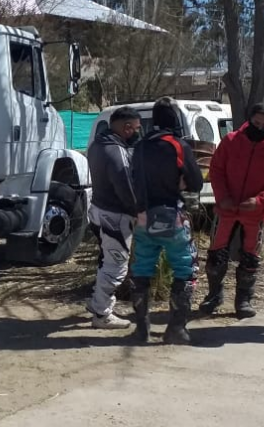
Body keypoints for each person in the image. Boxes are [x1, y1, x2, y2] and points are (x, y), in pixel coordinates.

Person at [199, 103, 264, 319]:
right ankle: (214, 295)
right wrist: (223, 197)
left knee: (250, 257)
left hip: (255, 213)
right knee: (216, 255)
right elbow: (217, 169)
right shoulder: (231, 141)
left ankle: (244, 299)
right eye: (256, 123)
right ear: (249, 120)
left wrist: (260, 200)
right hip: (227, 209)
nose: (260, 127)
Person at [129, 97, 204, 344]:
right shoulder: (178, 146)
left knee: (140, 271)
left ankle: (141, 329)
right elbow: (196, 182)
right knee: (185, 269)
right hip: (173, 216)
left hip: (143, 218)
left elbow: (133, 179)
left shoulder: (139, 147)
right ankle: (176, 328)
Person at [84, 107, 143, 329]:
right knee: (116, 265)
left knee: (105, 259)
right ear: (126, 128)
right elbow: (125, 187)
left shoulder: (97, 145)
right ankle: (102, 314)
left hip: (98, 210)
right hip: (115, 216)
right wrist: (138, 212)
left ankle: (96, 302)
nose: (138, 132)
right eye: (136, 128)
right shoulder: (116, 151)